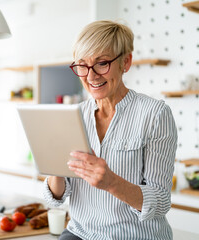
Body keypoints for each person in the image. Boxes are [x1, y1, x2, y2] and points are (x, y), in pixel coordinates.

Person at [43, 20, 177, 240]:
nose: (91, 76)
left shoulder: (155, 114)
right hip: (81, 233)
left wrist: (113, 183)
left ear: (126, 62)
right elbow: (54, 198)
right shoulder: (74, 115)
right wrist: (54, 167)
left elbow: (161, 202)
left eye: (102, 63)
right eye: (82, 65)